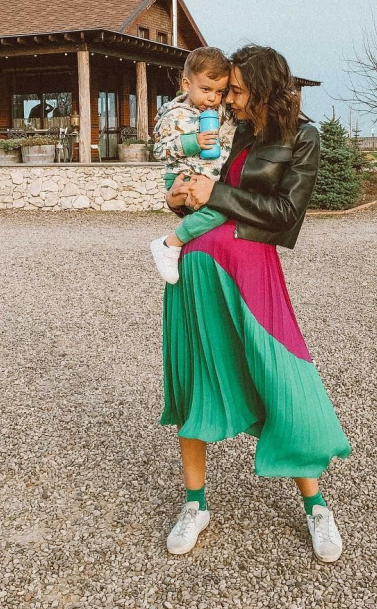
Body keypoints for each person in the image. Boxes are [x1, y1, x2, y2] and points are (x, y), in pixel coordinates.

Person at [160, 44, 351, 563]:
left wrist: (215, 194)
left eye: (239, 91)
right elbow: (190, 182)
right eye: (227, 90)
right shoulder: (231, 130)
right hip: (196, 270)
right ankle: (195, 504)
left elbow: (286, 213)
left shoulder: (302, 138)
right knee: (196, 380)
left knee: (281, 378)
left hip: (252, 273)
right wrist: (176, 198)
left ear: (264, 90)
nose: (229, 99)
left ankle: (316, 507)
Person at [149, 47, 236, 283]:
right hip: (183, 176)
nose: (212, 98)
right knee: (219, 211)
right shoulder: (175, 115)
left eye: (219, 92)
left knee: (220, 214)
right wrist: (193, 142)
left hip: (206, 178)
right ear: (187, 84)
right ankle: (170, 243)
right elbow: (159, 150)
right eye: (206, 89)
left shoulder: (218, 111)